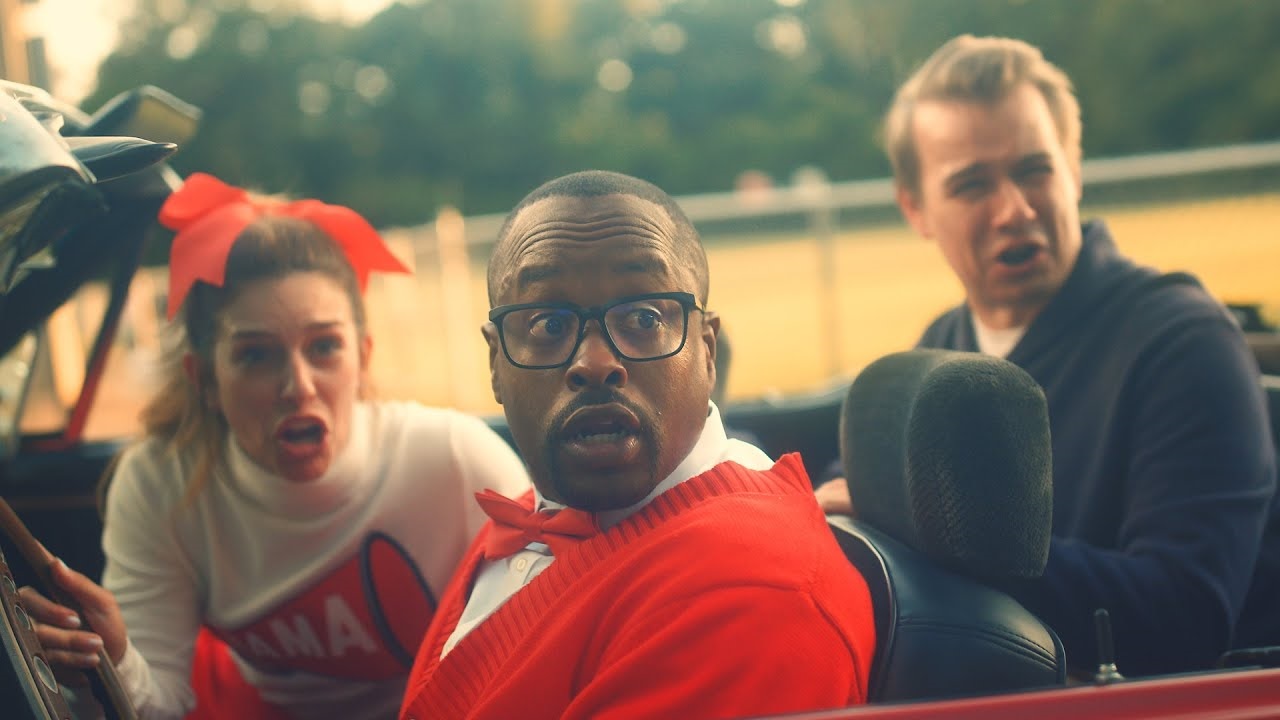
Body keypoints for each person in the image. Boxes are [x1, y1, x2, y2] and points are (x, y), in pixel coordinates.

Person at [815, 34, 1279, 676]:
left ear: (1075, 169)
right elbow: (849, 501)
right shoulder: (938, 354)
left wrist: (944, 532)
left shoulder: (1184, 340)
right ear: (916, 209)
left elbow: (1187, 615)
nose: (1015, 208)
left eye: (1035, 169)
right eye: (972, 184)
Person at [20, 172, 531, 719]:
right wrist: (112, 659)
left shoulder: (454, 459)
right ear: (205, 380)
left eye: (325, 347)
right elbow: (157, 703)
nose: (299, 386)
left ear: (363, 356)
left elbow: (539, 644)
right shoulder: (160, 483)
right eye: (256, 355)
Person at [398, 170, 876, 720]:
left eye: (644, 318)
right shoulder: (535, 512)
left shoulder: (750, 595)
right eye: (549, 324)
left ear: (706, 348)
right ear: (496, 366)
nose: (596, 363)